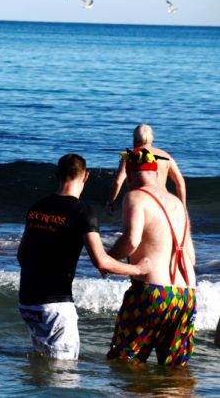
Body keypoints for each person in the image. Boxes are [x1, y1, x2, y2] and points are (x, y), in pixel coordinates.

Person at [17, 153, 150, 360]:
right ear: (86, 176)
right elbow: (102, 262)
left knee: (42, 371)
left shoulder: (37, 207)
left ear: (57, 175)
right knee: (64, 377)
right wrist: (138, 269)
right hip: (56, 305)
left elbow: (22, 256)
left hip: (27, 303)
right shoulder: (82, 212)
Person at [106, 147, 196, 367]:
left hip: (153, 293)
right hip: (186, 296)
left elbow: (131, 241)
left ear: (129, 174)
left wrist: (109, 259)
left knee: (126, 362)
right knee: (175, 368)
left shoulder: (135, 197)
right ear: (155, 173)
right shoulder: (177, 203)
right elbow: (191, 257)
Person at [107, 124, 186, 212]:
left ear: (134, 139)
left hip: (141, 200)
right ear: (152, 139)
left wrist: (111, 203)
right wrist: (183, 207)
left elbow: (118, 182)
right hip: (163, 201)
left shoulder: (129, 156)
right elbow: (180, 182)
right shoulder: (166, 156)